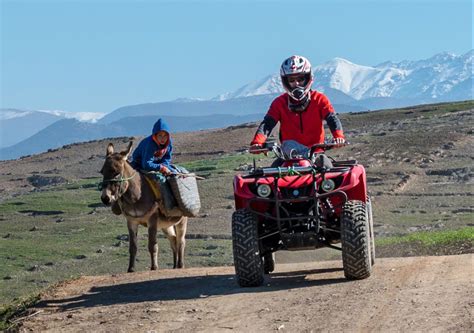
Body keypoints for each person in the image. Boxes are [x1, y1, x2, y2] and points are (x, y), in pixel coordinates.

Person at [250, 55, 346, 167]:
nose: (296, 84)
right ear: (285, 81)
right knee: (270, 178)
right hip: (288, 156)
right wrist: (258, 142)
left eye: (300, 79)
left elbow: (332, 118)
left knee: (328, 171)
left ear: (308, 78)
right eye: (291, 80)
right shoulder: (279, 103)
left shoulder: (320, 99)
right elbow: (267, 124)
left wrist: (338, 136)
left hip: (316, 154)